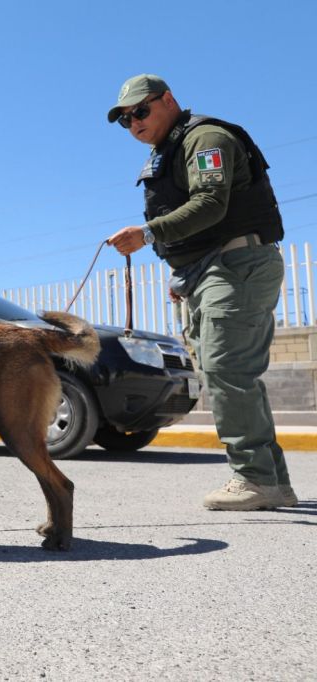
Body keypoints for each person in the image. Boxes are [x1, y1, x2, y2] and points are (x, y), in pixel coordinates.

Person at [105, 74, 297, 511]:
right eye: (125, 120)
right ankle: (273, 481)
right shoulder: (168, 150)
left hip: (235, 265)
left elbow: (211, 203)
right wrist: (183, 277)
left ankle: (254, 478)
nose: (134, 123)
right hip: (208, 271)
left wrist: (148, 234)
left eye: (140, 111)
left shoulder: (206, 138)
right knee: (223, 373)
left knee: (228, 369)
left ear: (167, 99)